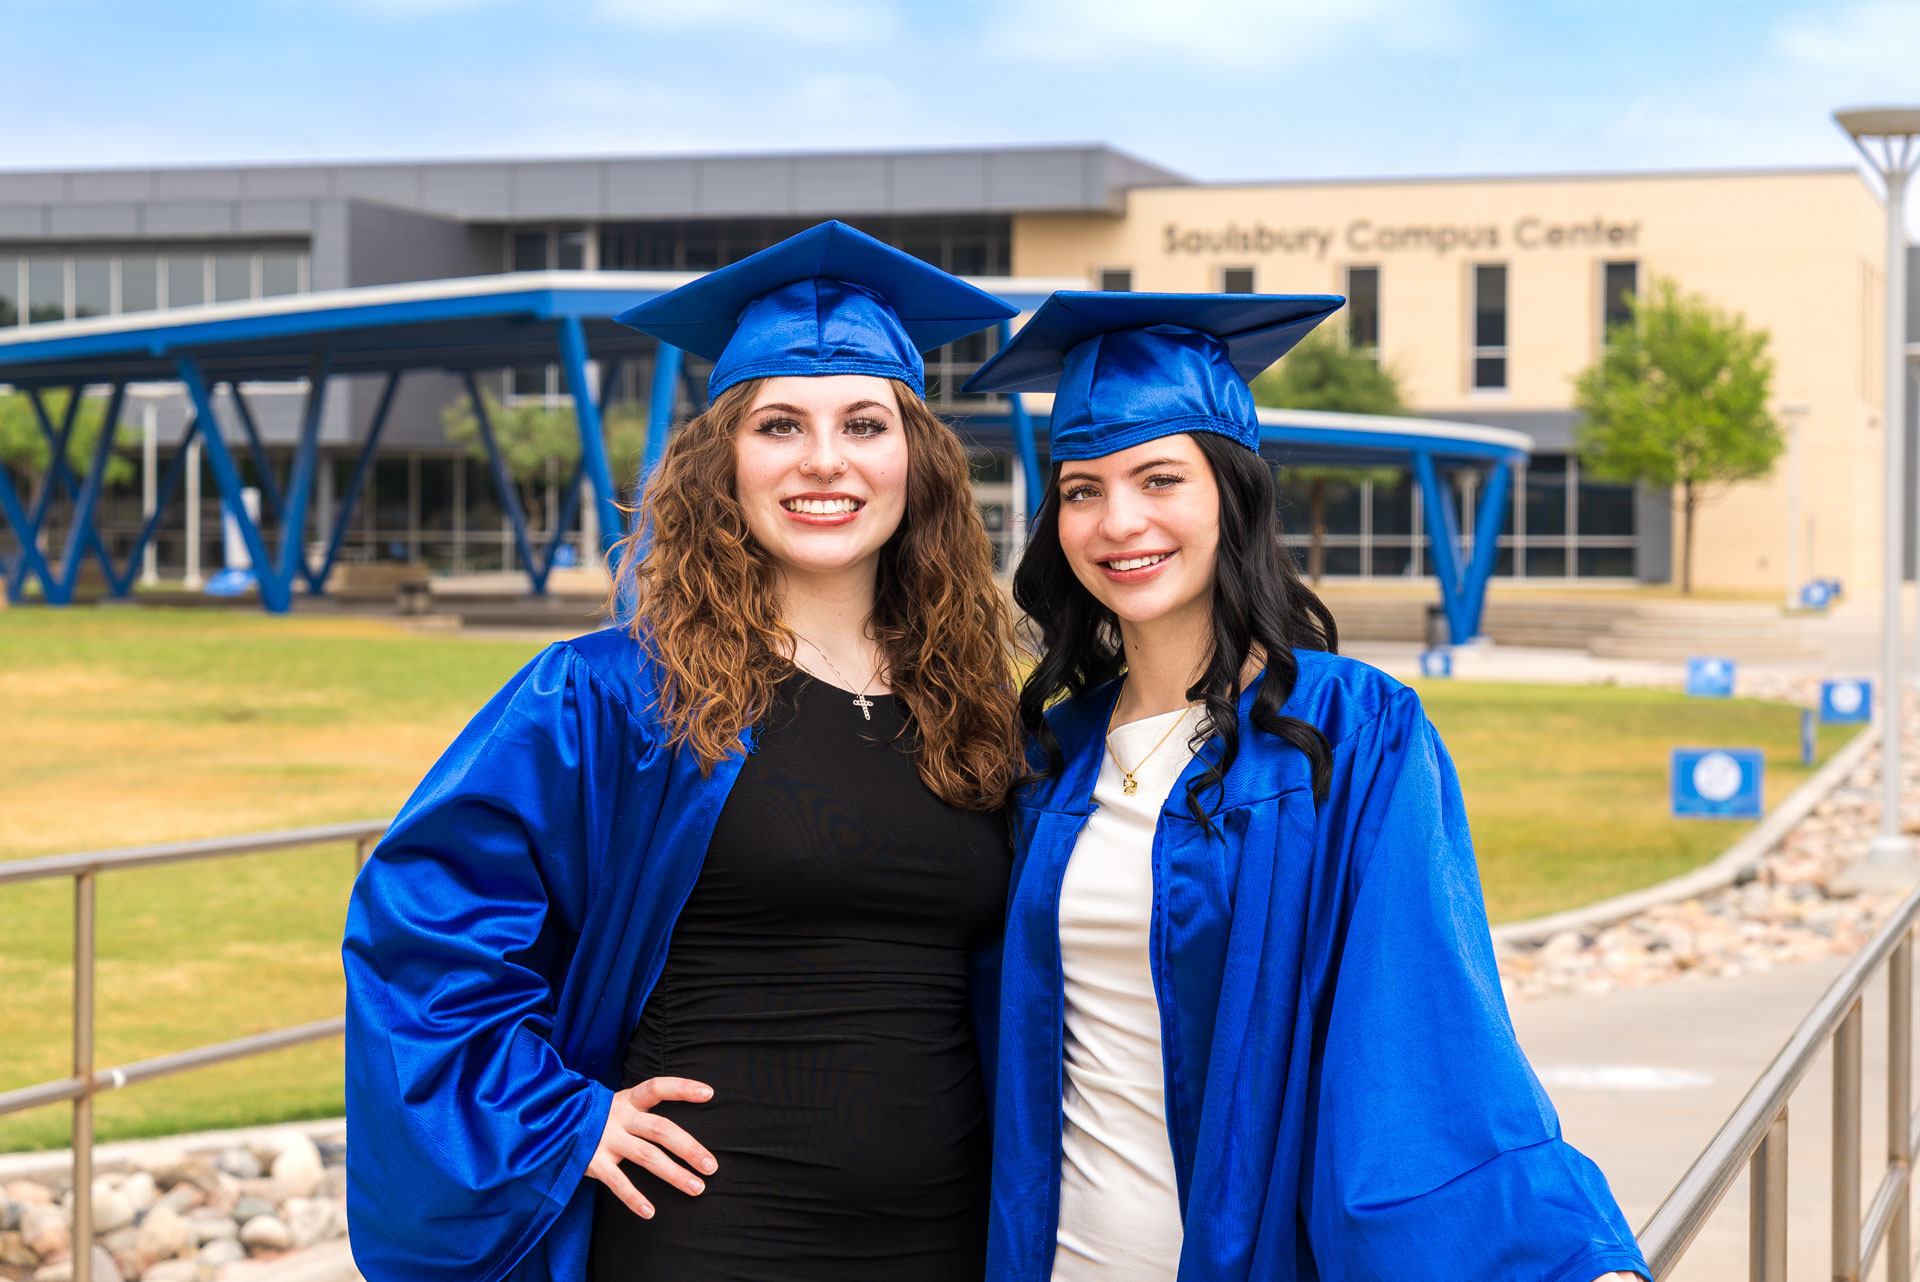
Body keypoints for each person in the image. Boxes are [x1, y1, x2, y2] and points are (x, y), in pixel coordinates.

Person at [342, 221, 1026, 1282]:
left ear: (916, 457)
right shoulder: (615, 693)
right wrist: (563, 1120)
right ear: (725, 461)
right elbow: (422, 931)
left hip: (944, 1233)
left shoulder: (973, 704)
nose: (825, 460)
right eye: (779, 424)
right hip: (710, 1231)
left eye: (865, 422)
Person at [963, 292, 1649, 1282]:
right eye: (1083, 489)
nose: (1120, 521)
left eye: (1160, 478)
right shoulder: (1050, 755)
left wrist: (1557, 1256)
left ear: (1232, 495)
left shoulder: (1350, 732)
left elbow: (1421, 1025)